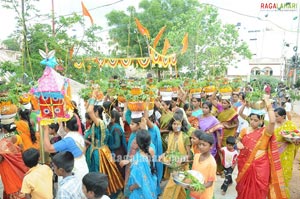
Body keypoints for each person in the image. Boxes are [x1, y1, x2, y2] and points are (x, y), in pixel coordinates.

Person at [236, 95, 287, 199]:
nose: (252, 122)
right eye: (251, 119)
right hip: (245, 162)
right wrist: (238, 143)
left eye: (255, 120)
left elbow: (272, 121)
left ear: (261, 120)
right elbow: (238, 140)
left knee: (259, 189)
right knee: (243, 188)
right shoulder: (245, 130)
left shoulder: (265, 132)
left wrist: (268, 103)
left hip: (260, 165)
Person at [43, 115, 89, 181]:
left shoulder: (68, 140)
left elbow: (48, 148)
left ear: (65, 125)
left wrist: (46, 130)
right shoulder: (78, 135)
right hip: (82, 167)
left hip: (73, 171)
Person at [160, 113, 192, 199]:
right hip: (171, 166)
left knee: (170, 188)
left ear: (182, 125)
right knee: (179, 189)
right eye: (174, 124)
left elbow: (189, 155)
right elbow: (168, 151)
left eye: (178, 124)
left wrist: (182, 159)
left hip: (181, 167)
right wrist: (162, 155)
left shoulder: (185, 137)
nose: (176, 126)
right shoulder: (170, 135)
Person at [274, 107, 299, 198]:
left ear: (283, 116)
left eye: (276, 116)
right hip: (274, 153)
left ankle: (283, 195)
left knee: (284, 175)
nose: (275, 118)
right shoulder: (272, 125)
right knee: (274, 175)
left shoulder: (290, 125)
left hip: (286, 155)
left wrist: (296, 142)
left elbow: (296, 137)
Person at [0, 121, 28, 199]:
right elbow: (22, 151)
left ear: (4, 130)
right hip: (20, 169)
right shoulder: (17, 137)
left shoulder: (2, 144)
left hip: (10, 173)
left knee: (12, 190)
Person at [128, 129, 157, 199]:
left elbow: (139, 182)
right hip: (151, 186)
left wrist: (131, 188)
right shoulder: (151, 150)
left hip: (141, 192)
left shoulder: (138, 160)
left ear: (138, 143)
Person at [190, 133, 217, 199]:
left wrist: (197, 186)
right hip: (194, 192)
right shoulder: (196, 156)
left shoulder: (211, 163)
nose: (201, 146)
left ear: (211, 146)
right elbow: (193, 173)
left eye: (204, 145)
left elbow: (210, 183)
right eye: (200, 144)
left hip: (204, 195)